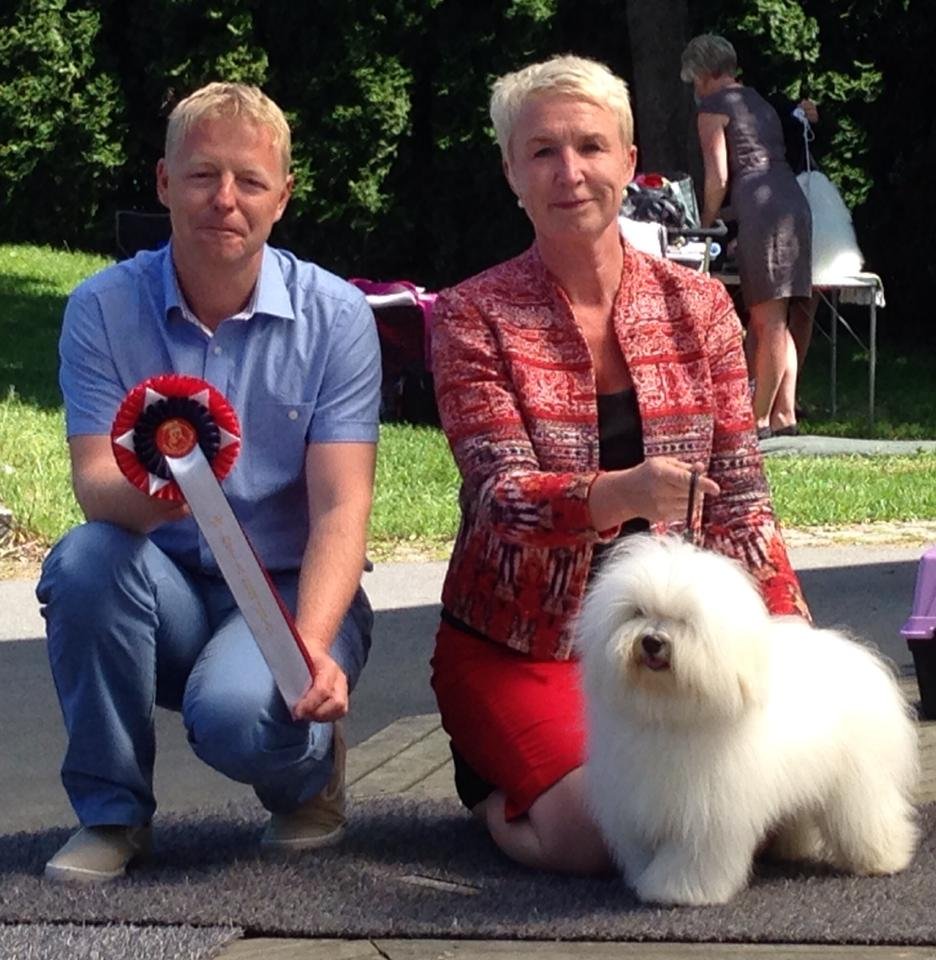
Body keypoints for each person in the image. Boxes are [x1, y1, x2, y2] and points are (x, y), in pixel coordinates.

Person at [429, 54, 809, 876]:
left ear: (629, 162)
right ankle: (494, 791)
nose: (569, 172)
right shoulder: (470, 316)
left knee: (766, 809)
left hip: (674, 642)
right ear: (511, 173)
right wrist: (618, 495)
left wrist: (784, 627)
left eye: (591, 147)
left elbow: (741, 497)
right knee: (596, 839)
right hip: (521, 645)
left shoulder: (701, 306)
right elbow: (499, 496)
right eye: (542, 152)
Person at [37, 82, 381, 883]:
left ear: (282, 197)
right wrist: (179, 482)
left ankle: (309, 775)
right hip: (163, 589)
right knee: (86, 560)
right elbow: (96, 485)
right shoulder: (100, 309)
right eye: (202, 175)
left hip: (289, 589)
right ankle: (112, 815)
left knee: (238, 718)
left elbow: (342, 505)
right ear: (165, 182)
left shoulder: (336, 318)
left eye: (250, 181)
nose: (225, 199)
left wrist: (309, 649)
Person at [681, 34, 813, 439]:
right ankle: (784, 413)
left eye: (694, 79)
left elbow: (719, 176)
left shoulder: (712, 108)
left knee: (765, 320)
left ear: (703, 73)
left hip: (762, 209)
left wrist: (704, 223)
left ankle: (755, 421)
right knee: (779, 317)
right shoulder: (760, 102)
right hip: (792, 201)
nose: (695, 87)